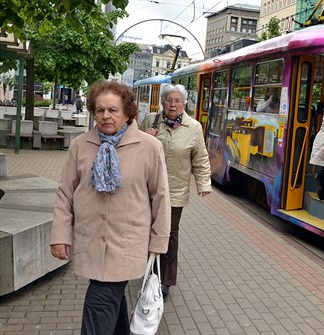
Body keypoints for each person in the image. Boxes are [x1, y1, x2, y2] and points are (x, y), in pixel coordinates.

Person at [50, 81, 171, 335]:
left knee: (100, 301)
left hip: (127, 242)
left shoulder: (149, 147)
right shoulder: (80, 146)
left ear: (128, 112)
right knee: (110, 301)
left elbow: (160, 197)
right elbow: (65, 193)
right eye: (100, 110)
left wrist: (159, 243)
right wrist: (60, 235)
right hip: (91, 238)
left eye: (113, 110)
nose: (106, 116)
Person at [140, 83, 212, 297]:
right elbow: (133, 148)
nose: (172, 104)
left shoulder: (194, 127)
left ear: (184, 103)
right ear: (162, 102)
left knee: (169, 234)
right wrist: (146, 138)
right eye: (169, 100)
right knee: (148, 231)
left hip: (176, 190)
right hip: (148, 189)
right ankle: (149, 273)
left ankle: (166, 281)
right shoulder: (151, 121)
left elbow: (200, 157)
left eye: (177, 101)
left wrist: (203, 183)